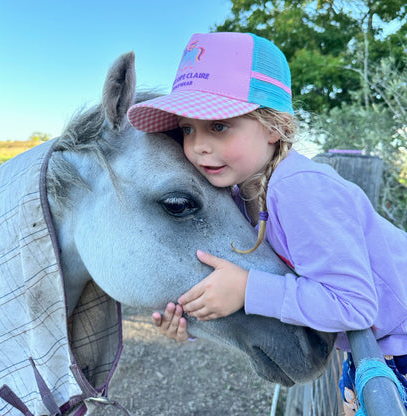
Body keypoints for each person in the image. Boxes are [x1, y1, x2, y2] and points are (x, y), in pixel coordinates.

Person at [127, 32, 407, 414]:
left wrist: (247, 289)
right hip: (374, 348)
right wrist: (192, 316)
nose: (197, 147)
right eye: (187, 128)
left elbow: (355, 306)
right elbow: (260, 278)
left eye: (219, 126)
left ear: (274, 125)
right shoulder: (239, 195)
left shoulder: (298, 189)